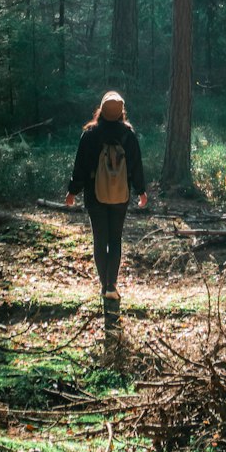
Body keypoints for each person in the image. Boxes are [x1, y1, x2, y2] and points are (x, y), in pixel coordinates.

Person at [65, 91, 147, 301]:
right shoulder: (129, 134)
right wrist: (141, 191)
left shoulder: (90, 134)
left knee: (100, 240)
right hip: (121, 194)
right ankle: (112, 285)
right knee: (115, 239)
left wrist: (72, 191)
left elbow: (80, 167)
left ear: (101, 110)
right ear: (121, 112)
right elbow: (136, 165)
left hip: (94, 195)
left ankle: (104, 286)